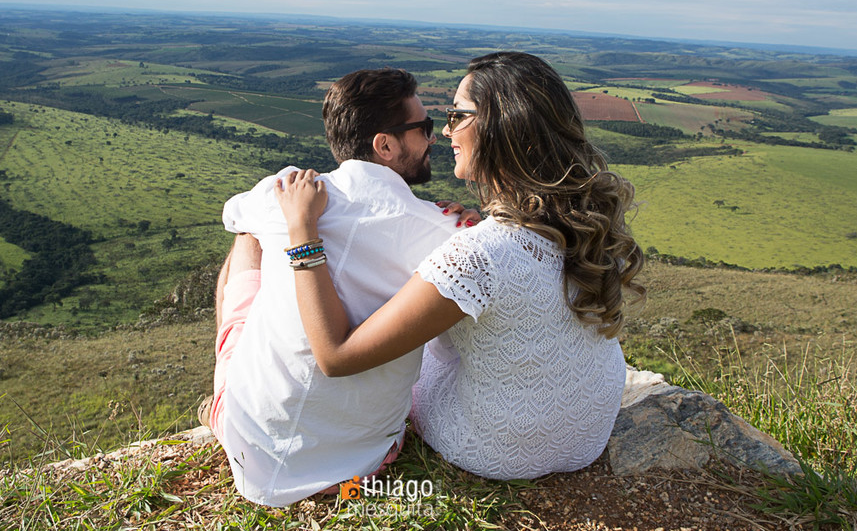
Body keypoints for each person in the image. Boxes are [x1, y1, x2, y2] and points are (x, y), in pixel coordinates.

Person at [276, 51, 646, 480]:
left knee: (410, 353)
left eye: (456, 116)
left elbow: (336, 356)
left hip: (495, 447)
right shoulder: (584, 219)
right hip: (586, 436)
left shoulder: (477, 255)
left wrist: (303, 231)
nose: (446, 131)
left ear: (500, 127)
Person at [208, 67, 474, 506]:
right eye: (424, 128)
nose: (434, 138)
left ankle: (225, 388)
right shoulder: (444, 232)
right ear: (384, 145)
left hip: (244, 447)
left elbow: (232, 215)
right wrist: (463, 221)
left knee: (248, 238)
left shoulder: (286, 191)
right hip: (363, 471)